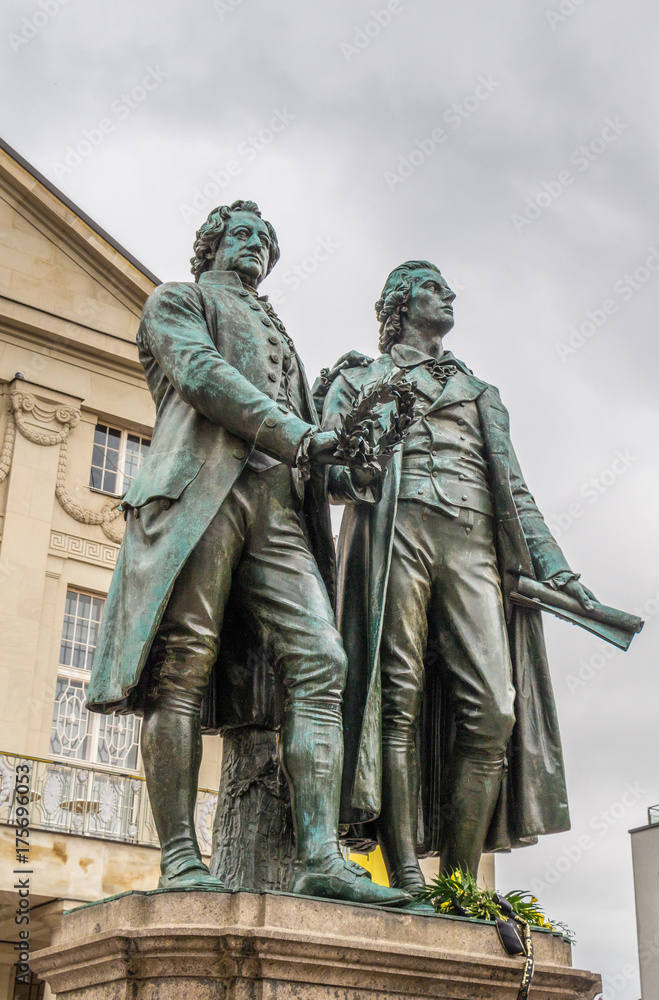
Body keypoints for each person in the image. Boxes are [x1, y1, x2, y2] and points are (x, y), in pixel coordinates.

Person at [86, 201, 409, 907]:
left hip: (278, 503)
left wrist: (354, 464)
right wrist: (299, 433)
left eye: (266, 239)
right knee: (182, 669)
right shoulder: (178, 301)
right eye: (242, 233)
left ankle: (320, 856)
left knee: (323, 659)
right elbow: (203, 377)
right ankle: (179, 857)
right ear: (209, 245)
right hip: (200, 490)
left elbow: (309, 446)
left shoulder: (283, 338)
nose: (256, 245)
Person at [321, 260, 596, 906]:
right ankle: (409, 876)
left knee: (494, 712)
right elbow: (323, 474)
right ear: (398, 303)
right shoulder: (358, 377)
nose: (448, 296)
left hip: (472, 542)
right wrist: (362, 464)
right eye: (432, 286)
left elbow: (518, 495)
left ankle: (461, 884)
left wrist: (557, 568)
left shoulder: (480, 393)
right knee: (396, 699)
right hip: (397, 534)